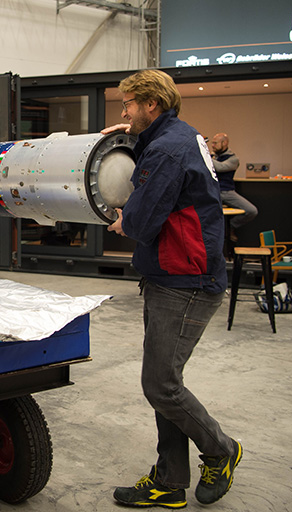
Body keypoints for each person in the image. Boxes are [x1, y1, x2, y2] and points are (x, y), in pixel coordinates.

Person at [102, 70, 242, 509]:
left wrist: (125, 219)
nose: (123, 112)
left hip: (187, 281)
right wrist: (134, 136)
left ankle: (221, 449)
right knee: (166, 381)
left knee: (161, 385)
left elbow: (142, 223)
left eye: (128, 105)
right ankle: (169, 482)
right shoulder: (179, 136)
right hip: (173, 274)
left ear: (151, 105)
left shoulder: (166, 150)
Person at [210, 133, 258, 242]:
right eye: (212, 143)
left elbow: (220, 167)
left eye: (215, 143)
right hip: (212, 192)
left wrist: (204, 156)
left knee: (251, 211)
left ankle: (230, 226)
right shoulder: (212, 156)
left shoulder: (233, 159)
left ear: (224, 143)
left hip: (226, 192)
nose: (212, 145)